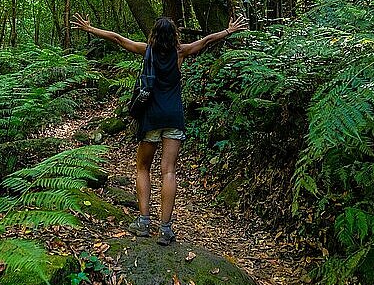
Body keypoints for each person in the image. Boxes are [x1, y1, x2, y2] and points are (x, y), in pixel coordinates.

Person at [71, 13, 248, 245]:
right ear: (174, 35)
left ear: (154, 34)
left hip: (151, 118)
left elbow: (118, 39)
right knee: (169, 171)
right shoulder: (180, 52)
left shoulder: (147, 51)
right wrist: (229, 31)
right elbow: (206, 41)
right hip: (173, 117)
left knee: (143, 167)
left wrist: (91, 29)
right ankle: (165, 229)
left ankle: (144, 222)